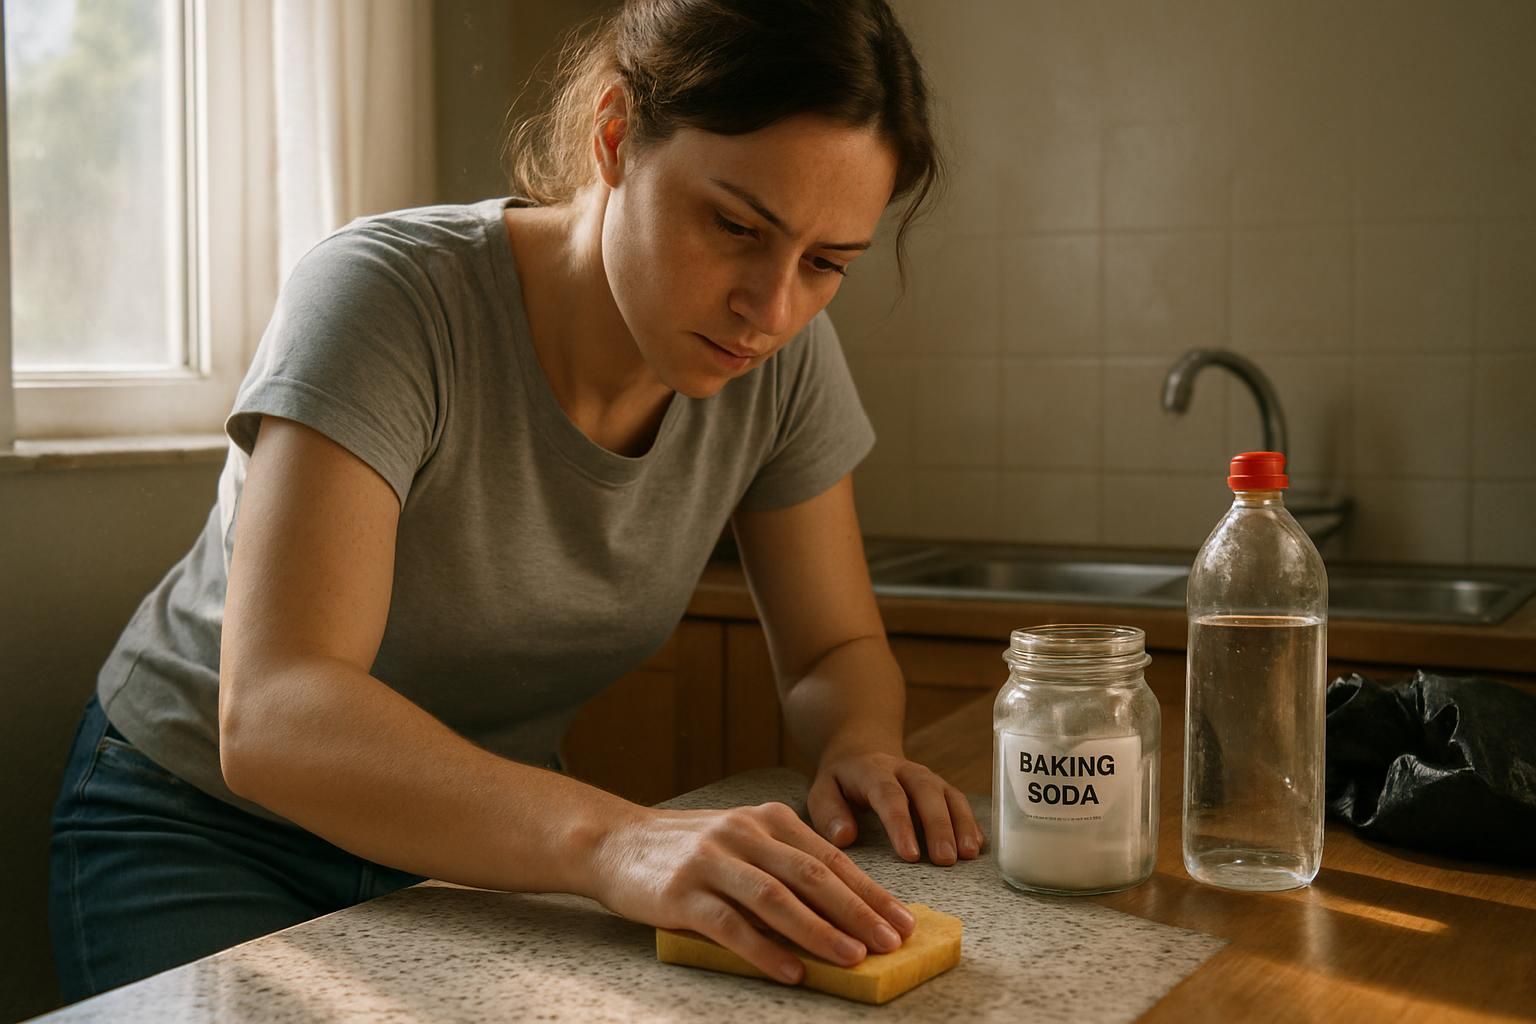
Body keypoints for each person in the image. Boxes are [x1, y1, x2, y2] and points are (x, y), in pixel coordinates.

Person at [48, 0, 984, 1002]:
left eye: (826, 263)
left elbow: (833, 652)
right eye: (735, 225)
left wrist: (860, 747)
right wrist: (619, 839)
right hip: (207, 823)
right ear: (615, 135)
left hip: (469, 851)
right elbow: (278, 713)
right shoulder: (387, 297)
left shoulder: (782, 364)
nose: (774, 308)